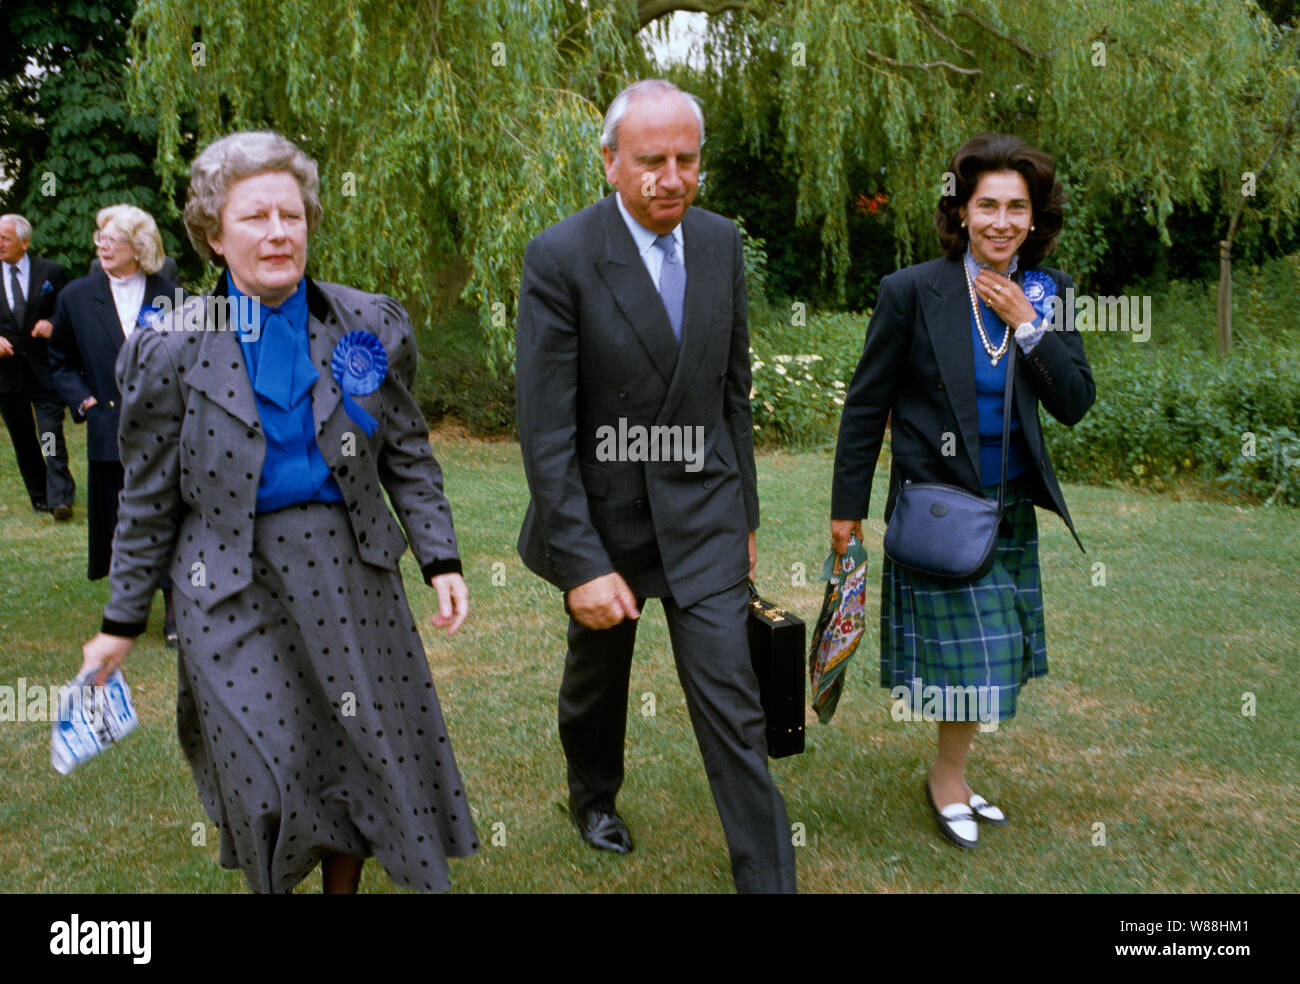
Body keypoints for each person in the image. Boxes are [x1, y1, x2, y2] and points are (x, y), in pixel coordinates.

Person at [78, 130, 478, 893]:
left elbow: (407, 453)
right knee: (267, 763)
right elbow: (147, 499)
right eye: (255, 217)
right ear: (213, 235)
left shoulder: (366, 325)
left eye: (291, 215)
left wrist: (442, 558)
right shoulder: (169, 348)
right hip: (227, 576)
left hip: (347, 569)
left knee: (357, 746)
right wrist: (121, 623)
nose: (277, 232)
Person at [515, 79, 795, 893]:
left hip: (705, 517)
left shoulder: (722, 242)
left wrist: (743, 509)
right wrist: (580, 564)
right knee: (596, 687)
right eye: (651, 160)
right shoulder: (560, 257)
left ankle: (767, 876)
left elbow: (731, 393)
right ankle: (592, 795)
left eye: (687, 159)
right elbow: (546, 429)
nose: (671, 177)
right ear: (609, 162)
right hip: (606, 527)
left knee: (732, 699)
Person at [830, 132, 1094, 849]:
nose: (1003, 222)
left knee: (995, 653)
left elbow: (1074, 401)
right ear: (962, 212)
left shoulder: (1050, 292)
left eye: (1018, 207)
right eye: (988, 206)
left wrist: (1029, 325)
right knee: (977, 654)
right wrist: (846, 508)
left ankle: (953, 771)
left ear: (1035, 218)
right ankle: (948, 779)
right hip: (940, 508)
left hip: (1008, 509)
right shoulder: (912, 291)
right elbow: (864, 404)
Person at [49, 205, 182, 643]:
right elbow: (60, 361)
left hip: (165, 431)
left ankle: (175, 612)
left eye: (113, 239)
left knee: (168, 513)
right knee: (122, 520)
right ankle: (128, 608)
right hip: (108, 428)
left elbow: (189, 354)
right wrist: (81, 400)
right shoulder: (73, 297)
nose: (102, 245)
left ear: (139, 248)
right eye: (99, 238)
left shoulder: (168, 291)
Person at [0, 214, 74, 519]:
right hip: (6, 376)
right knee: (23, 438)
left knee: (50, 433)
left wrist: (52, 324)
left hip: (45, 371)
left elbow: (69, 314)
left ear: (25, 242)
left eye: (4, 238)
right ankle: (40, 496)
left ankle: (60, 499)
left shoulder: (51, 272)